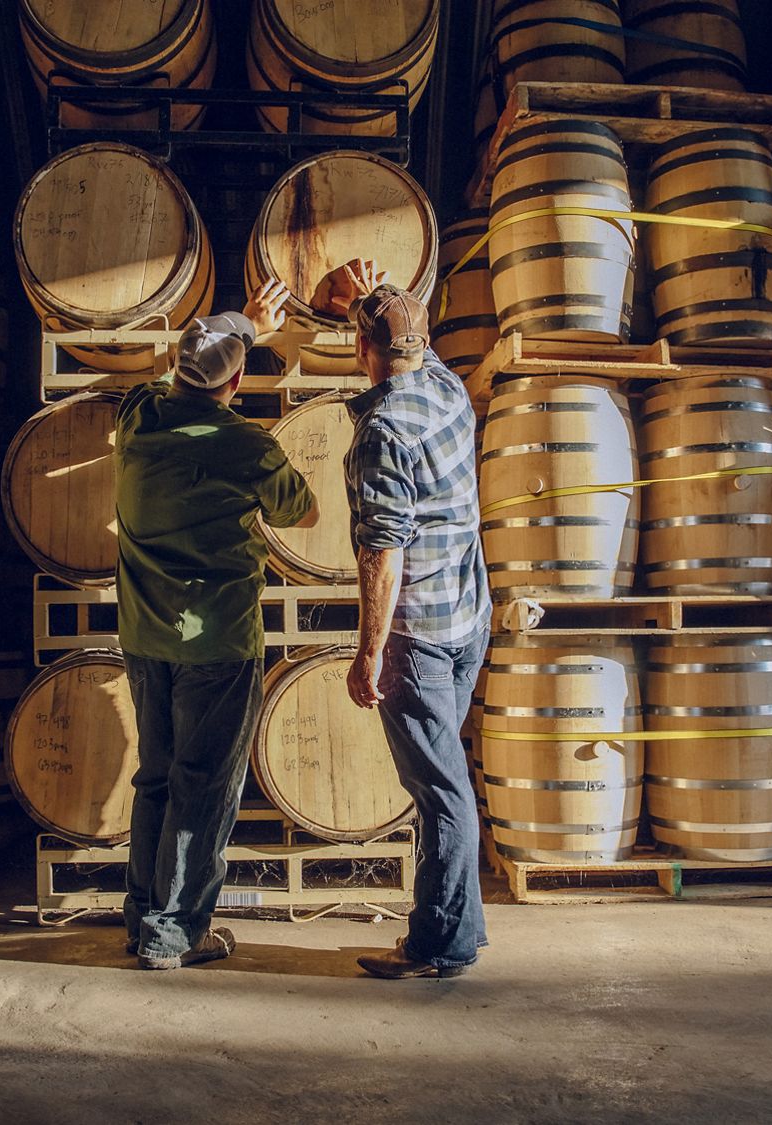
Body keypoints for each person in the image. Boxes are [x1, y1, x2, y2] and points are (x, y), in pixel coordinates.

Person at [114, 278, 318, 971]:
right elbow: (302, 512)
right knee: (202, 788)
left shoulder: (138, 417)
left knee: (156, 778)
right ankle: (174, 935)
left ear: (178, 367)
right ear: (237, 380)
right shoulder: (247, 446)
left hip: (144, 636)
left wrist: (240, 327)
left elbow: (163, 377)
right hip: (218, 643)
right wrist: (254, 330)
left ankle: (142, 918)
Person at [329, 260, 493, 980]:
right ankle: (448, 926)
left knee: (442, 791)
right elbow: (399, 339)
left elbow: (383, 557)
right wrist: (373, 298)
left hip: (418, 638)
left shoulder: (382, 433)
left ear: (363, 351)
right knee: (443, 784)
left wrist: (369, 653)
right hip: (468, 620)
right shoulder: (447, 387)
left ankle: (442, 943)